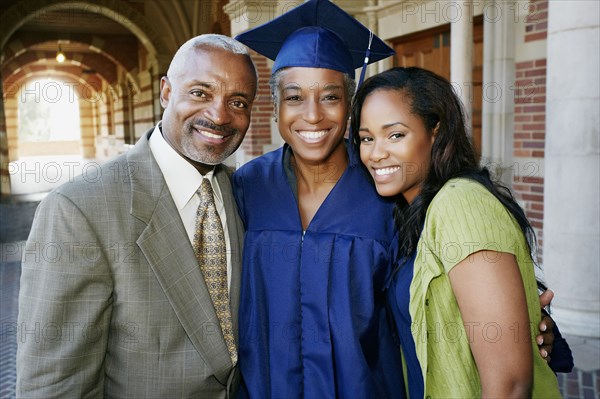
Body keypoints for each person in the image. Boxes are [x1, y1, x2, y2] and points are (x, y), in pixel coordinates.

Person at [232, 0, 558, 397]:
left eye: (331, 97)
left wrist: (530, 322)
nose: (313, 115)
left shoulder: (389, 195)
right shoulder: (246, 187)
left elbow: (450, 292)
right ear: (277, 106)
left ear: (350, 107)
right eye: (295, 97)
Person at [16, 34, 257, 398]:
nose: (219, 115)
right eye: (200, 93)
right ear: (165, 92)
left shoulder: (241, 194)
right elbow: (55, 385)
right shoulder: (79, 211)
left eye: (237, 102)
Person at [352, 66, 569, 397]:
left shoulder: (460, 203)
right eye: (367, 138)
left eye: (395, 134)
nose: (376, 152)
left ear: (435, 131)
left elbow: (510, 386)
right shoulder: (411, 214)